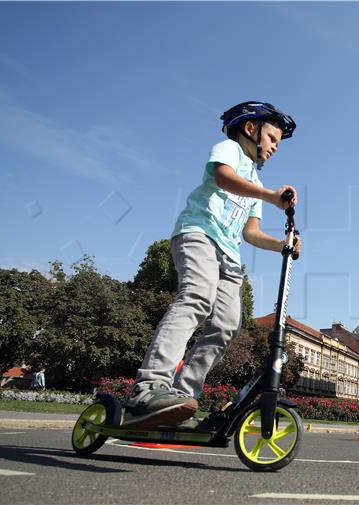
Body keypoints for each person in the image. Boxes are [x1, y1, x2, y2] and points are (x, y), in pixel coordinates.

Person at [122, 102, 300, 429]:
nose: (275, 147)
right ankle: (148, 388)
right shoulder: (230, 149)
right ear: (250, 129)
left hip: (230, 255)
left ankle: (181, 399)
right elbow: (222, 178)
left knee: (227, 323)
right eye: (272, 138)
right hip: (199, 235)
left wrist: (281, 245)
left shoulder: (255, 182)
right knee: (196, 298)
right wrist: (270, 196)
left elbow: (251, 233)